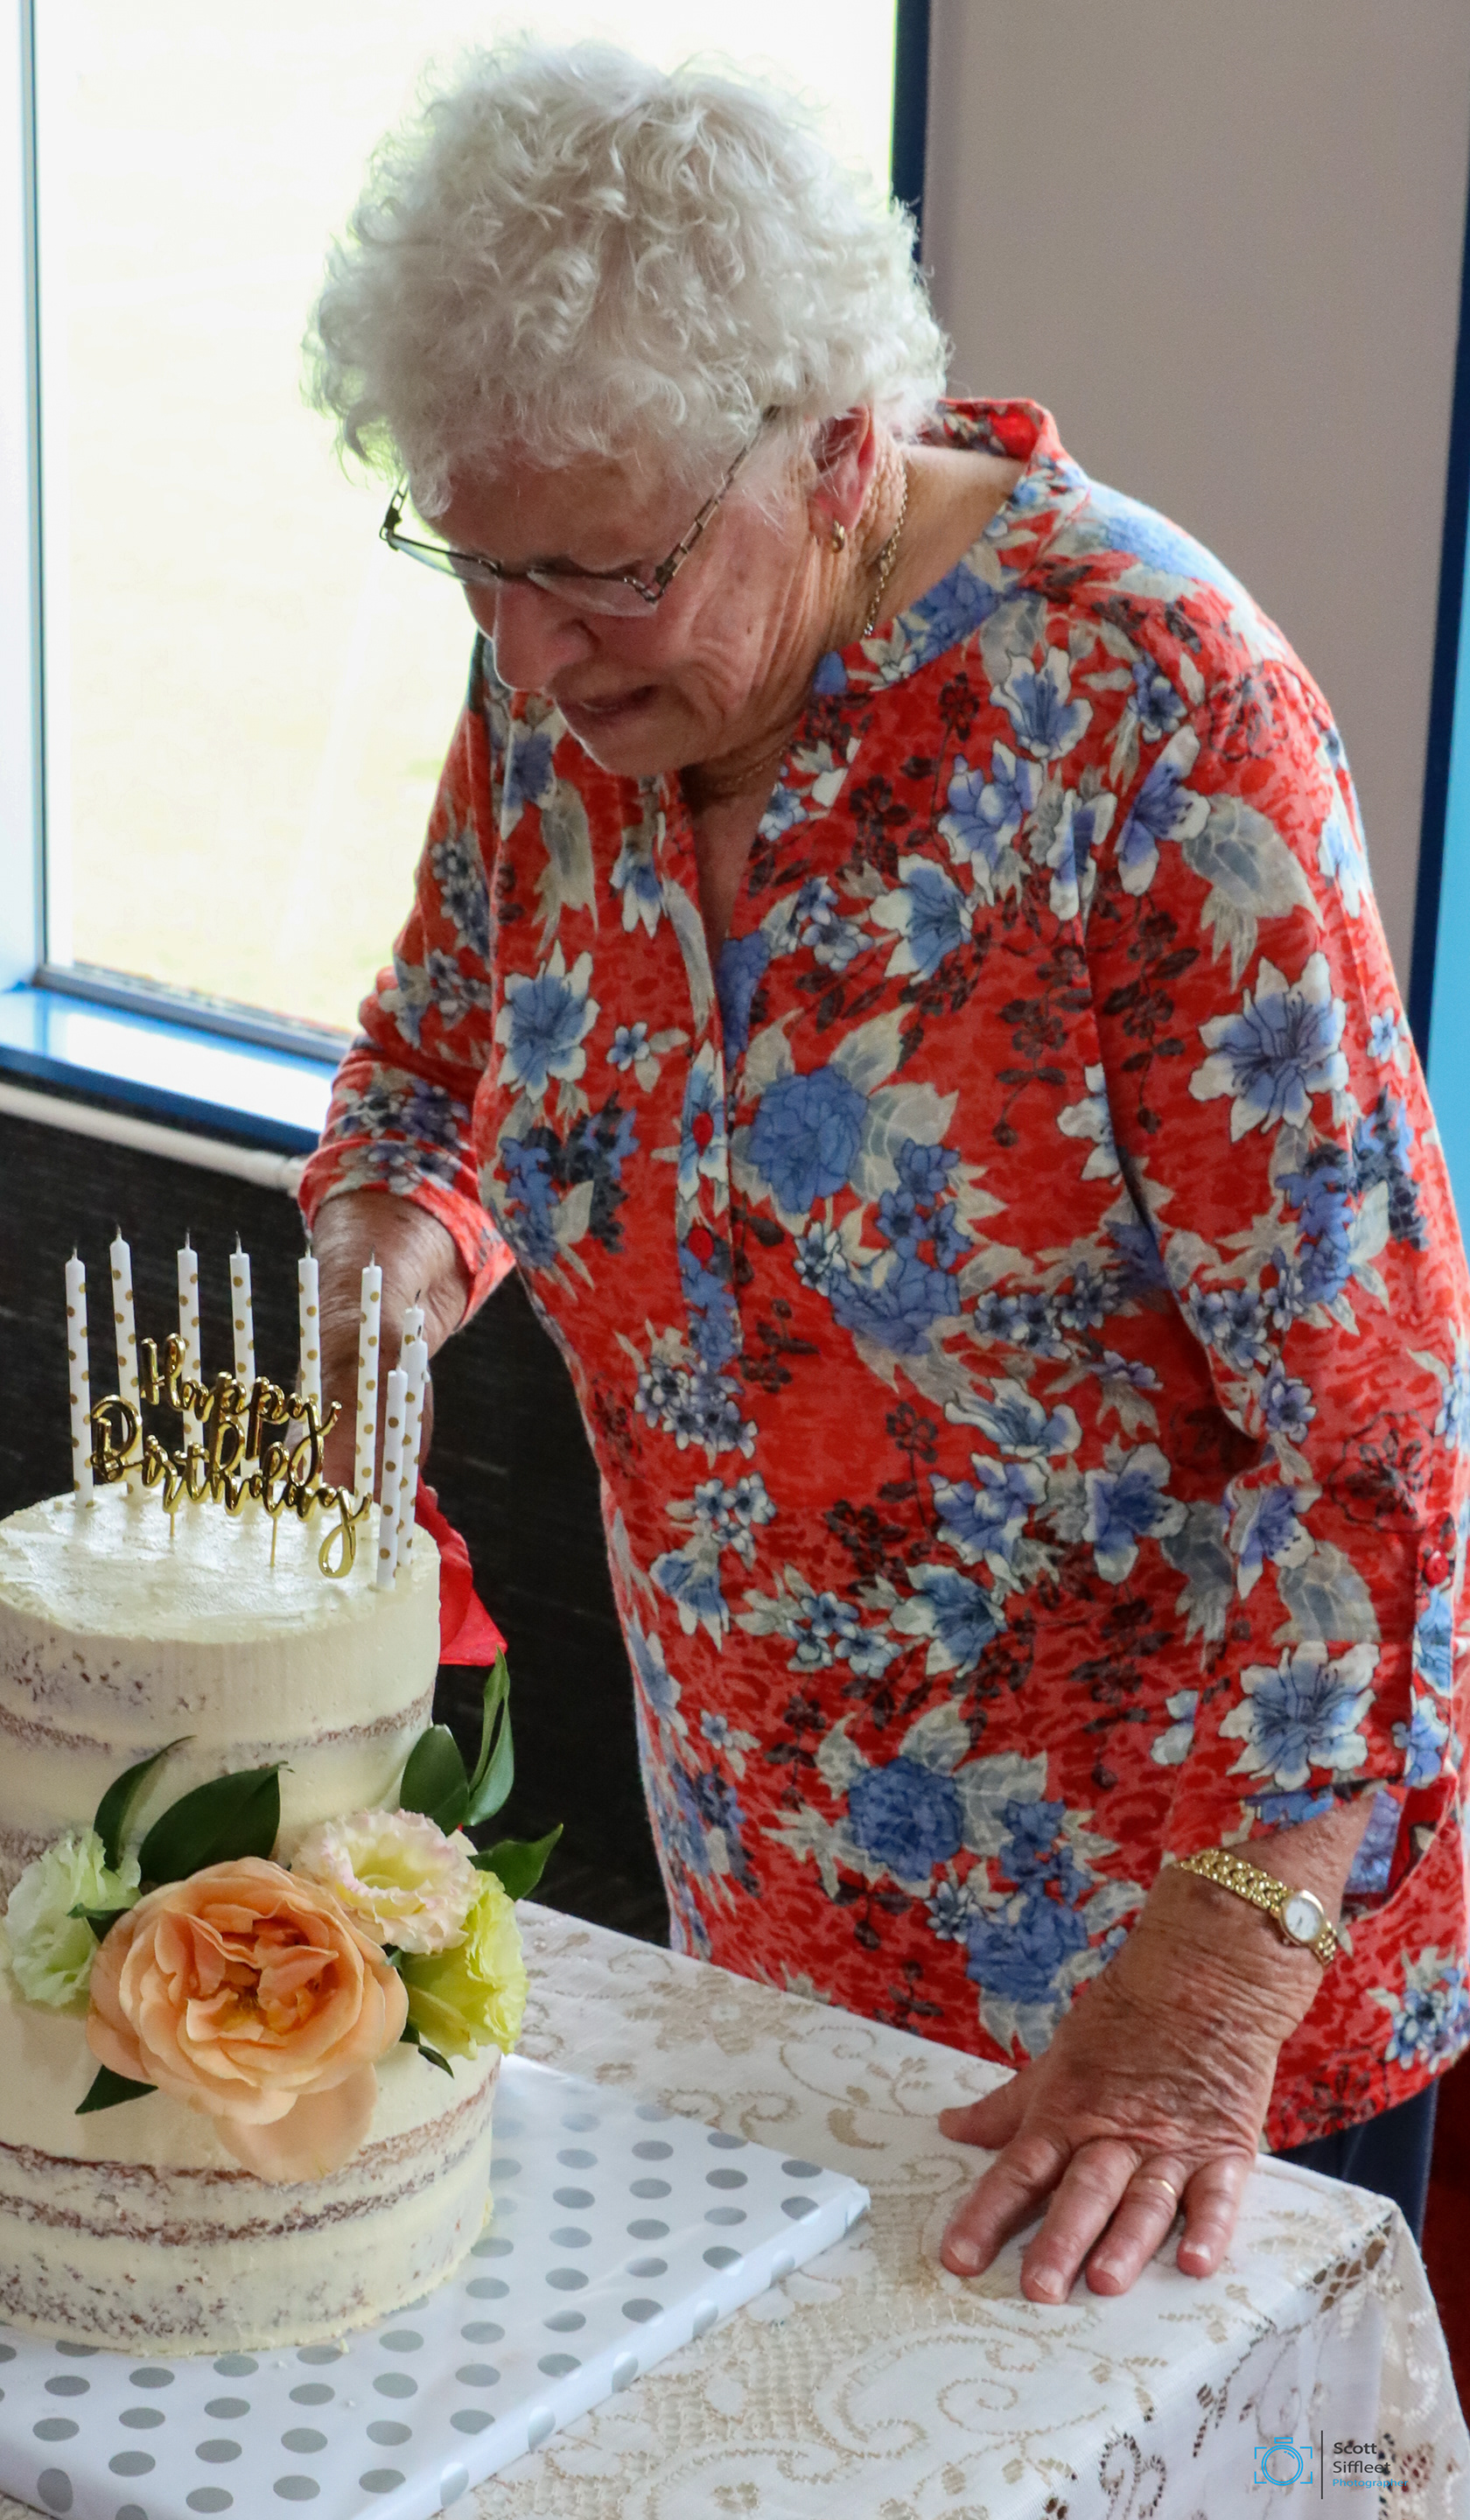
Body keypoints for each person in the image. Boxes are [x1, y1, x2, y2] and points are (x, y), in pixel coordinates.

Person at [296, 39, 1470, 2301]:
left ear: (841, 450)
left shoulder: (1158, 726)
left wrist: (1215, 1985)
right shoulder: (575, 686)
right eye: (477, 564)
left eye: (600, 571)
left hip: (1172, 2007)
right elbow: (439, 1064)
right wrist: (387, 1252)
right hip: (764, 1933)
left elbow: (1374, 1446)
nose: (526, 651)